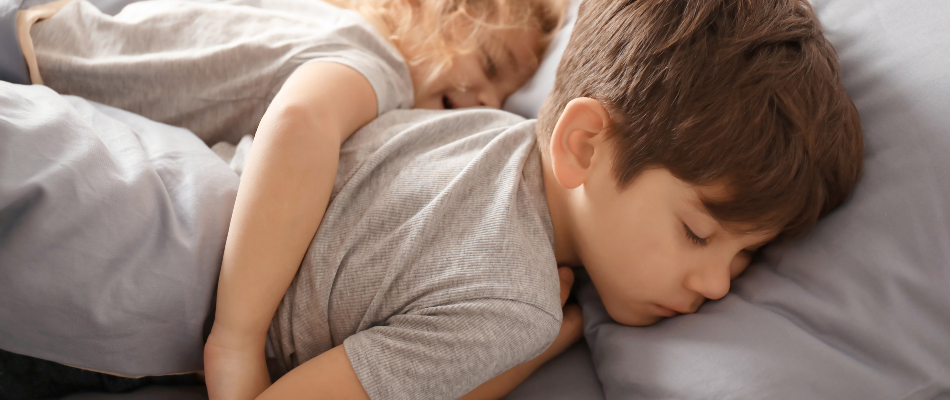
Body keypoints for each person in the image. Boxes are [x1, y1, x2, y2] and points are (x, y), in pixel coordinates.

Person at [4, 0, 863, 400]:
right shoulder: (516, 304)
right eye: (700, 231)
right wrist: (235, 340)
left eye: (745, 257)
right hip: (136, 266)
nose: (718, 285)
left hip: (142, 171)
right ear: (583, 142)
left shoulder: (468, 130)